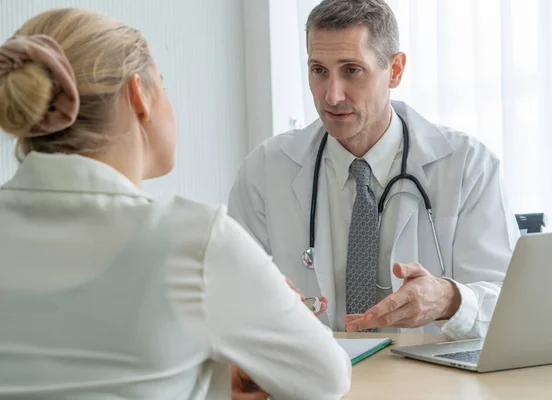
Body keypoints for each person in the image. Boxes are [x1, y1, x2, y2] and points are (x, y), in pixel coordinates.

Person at [0, 8, 350, 400]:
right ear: (140, 97)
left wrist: (202, 376)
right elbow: (326, 380)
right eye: (163, 85)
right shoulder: (193, 241)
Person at [228, 0, 521, 339]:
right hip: (313, 381)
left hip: (431, 386)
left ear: (395, 70)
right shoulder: (265, 170)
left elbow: (510, 304)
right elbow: (226, 292)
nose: (332, 96)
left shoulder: (468, 165)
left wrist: (448, 300)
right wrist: (252, 303)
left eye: (352, 70)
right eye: (318, 71)